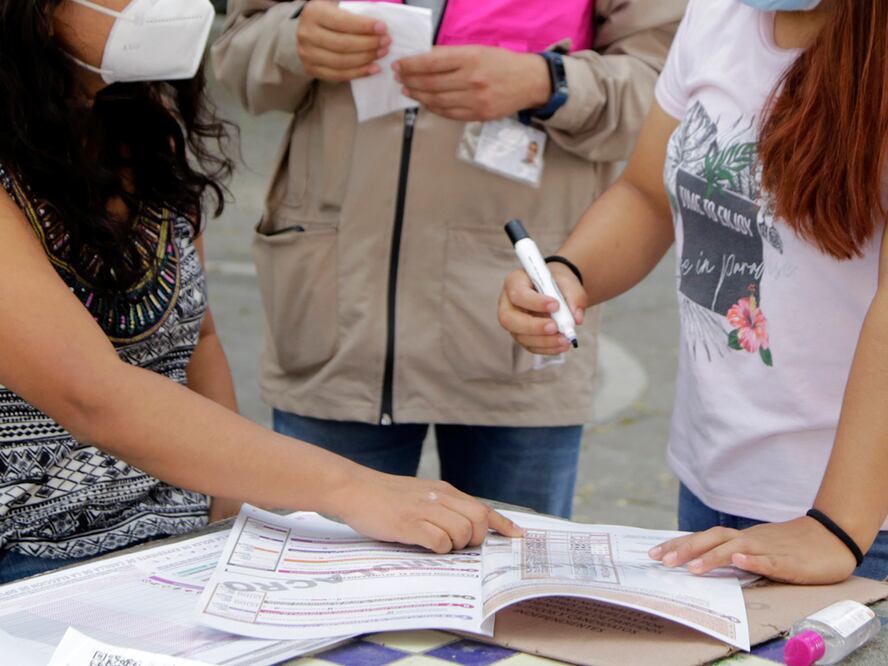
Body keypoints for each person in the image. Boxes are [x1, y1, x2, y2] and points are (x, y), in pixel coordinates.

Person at [0, 0, 521, 586]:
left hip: (175, 538)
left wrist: (228, 508)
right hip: (32, 556)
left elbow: (199, 337)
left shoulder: (137, 131)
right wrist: (352, 488)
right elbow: (96, 396)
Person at [212, 0, 686, 518]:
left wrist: (548, 82)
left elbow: (669, 95)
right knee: (319, 578)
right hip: (339, 324)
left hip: (515, 329)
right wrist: (291, 41)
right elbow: (234, 54)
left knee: (512, 584)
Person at [499, 0, 888, 583]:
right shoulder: (716, 15)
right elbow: (648, 195)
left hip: (855, 524)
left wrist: (838, 524)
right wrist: (568, 271)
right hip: (715, 486)